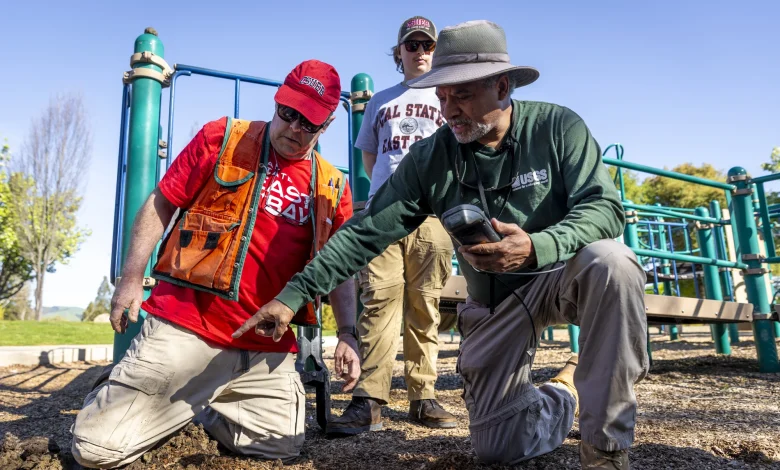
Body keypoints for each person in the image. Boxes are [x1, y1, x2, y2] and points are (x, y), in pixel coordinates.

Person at [235, 21, 649, 470]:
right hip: (495, 299)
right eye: (442, 95)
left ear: (503, 86)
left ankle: (606, 449)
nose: (447, 108)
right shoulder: (432, 156)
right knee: (498, 448)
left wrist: (537, 246)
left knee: (614, 262)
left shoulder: (557, 127)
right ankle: (562, 393)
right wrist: (292, 294)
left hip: (560, 273)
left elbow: (605, 211)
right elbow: (365, 230)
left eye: (461, 94)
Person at [71, 59, 362, 469]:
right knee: (96, 451)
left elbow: (341, 267)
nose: (293, 128)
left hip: (265, 348)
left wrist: (348, 333)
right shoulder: (222, 138)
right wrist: (131, 277)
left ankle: (195, 405)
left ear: (326, 125)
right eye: (287, 113)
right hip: (188, 328)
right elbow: (161, 203)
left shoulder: (332, 185)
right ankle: (136, 393)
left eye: (308, 123)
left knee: (281, 448)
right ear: (278, 101)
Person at [326, 15, 457, 435]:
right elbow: (371, 158)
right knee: (379, 300)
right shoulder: (381, 101)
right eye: (412, 45)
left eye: (427, 45)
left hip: (433, 213)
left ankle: (423, 396)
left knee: (426, 305)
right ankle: (370, 399)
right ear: (399, 52)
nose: (420, 52)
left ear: (434, 50)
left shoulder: (447, 98)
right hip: (385, 213)